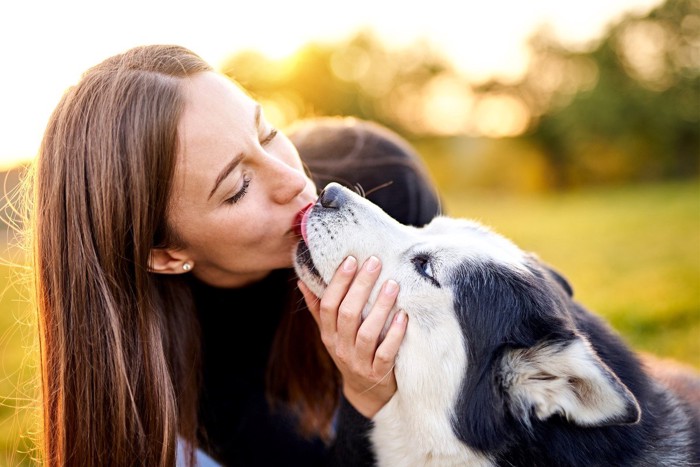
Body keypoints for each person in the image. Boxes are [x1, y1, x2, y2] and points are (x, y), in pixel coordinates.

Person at [29, 44, 441, 467]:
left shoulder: (385, 185)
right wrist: (369, 399)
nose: (293, 182)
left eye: (268, 133)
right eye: (238, 188)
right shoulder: (176, 395)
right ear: (166, 255)